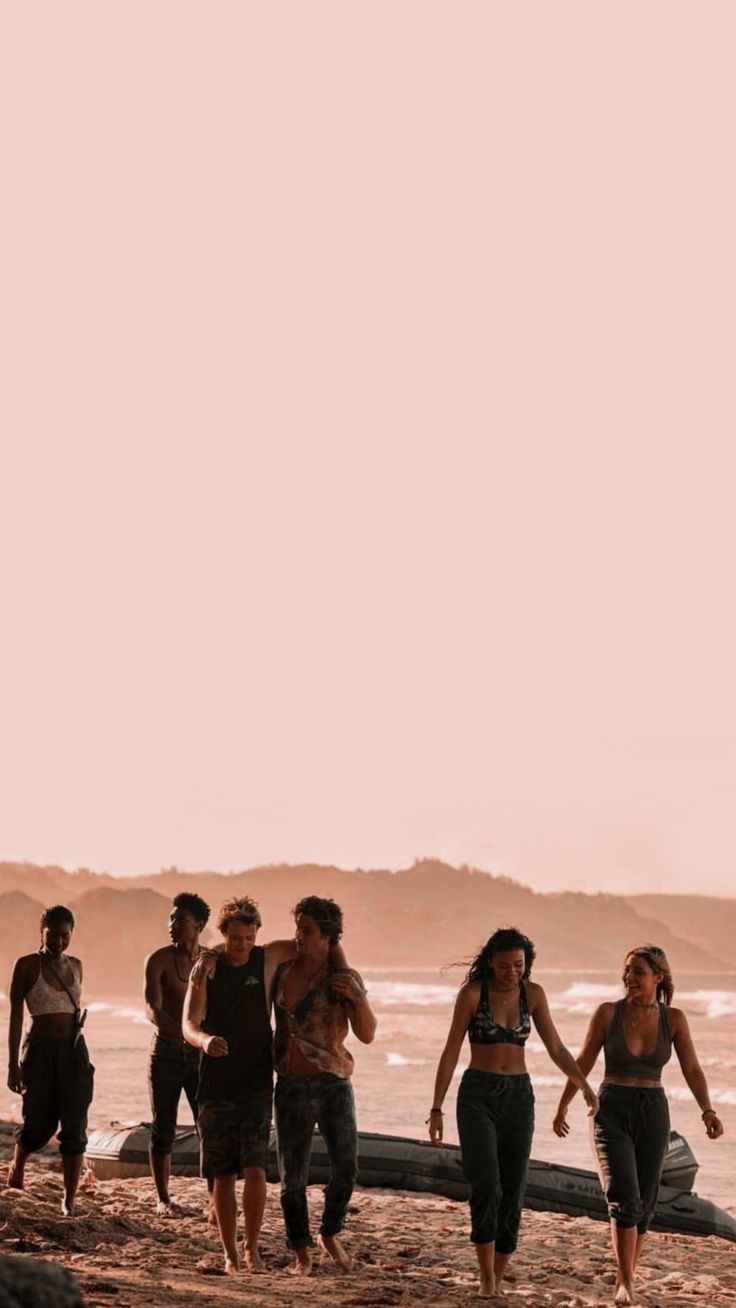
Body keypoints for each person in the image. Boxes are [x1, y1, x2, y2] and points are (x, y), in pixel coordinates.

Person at [182, 895, 349, 1275]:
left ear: (257, 935)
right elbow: (187, 1023)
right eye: (235, 938)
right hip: (215, 1085)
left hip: (257, 1081)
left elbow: (327, 940)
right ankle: (230, 1254)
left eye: (248, 938)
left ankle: (253, 1248)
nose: (242, 945)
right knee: (223, 1174)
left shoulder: (267, 956)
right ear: (223, 935)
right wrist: (205, 1040)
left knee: (255, 1168)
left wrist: (345, 977)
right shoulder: (207, 969)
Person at [429, 926, 598, 1299]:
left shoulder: (533, 994)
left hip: (519, 1097)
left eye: (518, 965)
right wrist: (437, 1107)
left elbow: (555, 1046)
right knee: (486, 1184)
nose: (511, 972)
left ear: (527, 964)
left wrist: (583, 1085)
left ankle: (499, 1275)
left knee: (514, 1187)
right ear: (491, 962)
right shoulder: (473, 994)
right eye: (504, 965)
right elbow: (451, 1050)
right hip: (477, 1095)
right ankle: (485, 1273)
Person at [553, 943, 724, 1307]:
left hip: (653, 1111)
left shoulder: (673, 1019)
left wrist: (707, 1110)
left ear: (658, 977)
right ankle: (626, 1281)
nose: (629, 977)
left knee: (644, 1202)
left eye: (638, 972)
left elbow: (691, 1068)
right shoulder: (606, 1014)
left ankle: (625, 1273)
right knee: (622, 1195)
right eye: (627, 970)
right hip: (610, 1107)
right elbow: (583, 1059)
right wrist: (564, 1104)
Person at [272, 895, 376, 1275]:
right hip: (291, 1084)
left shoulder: (344, 980)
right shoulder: (282, 972)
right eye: (298, 929)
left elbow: (367, 1034)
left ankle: (329, 1233)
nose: (299, 937)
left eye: (308, 931)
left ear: (329, 937)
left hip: (334, 1082)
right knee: (292, 1177)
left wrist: (358, 997)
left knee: (346, 1167)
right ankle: (301, 1251)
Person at [6, 905, 94, 1216]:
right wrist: (12, 1063)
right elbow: (16, 1015)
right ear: (41, 932)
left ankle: (68, 1200)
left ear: (72, 934)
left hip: (74, 1053)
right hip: (40, 1052)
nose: (58, 940)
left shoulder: (77, 965)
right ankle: (19, 1160)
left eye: (65, 935)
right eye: (52, 934)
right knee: (39, 1126)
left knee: (75, 1126)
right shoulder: (27, 965)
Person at [143, 891, 212, 1213]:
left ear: (199, 924)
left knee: (208, 1125)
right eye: (171, 919)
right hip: (166, 1052)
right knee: (163, 1126)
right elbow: (151, 1008)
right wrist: (182, 1031)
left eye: (180, 920)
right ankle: (163, 1198)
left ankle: (215, 1198)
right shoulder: (158, 960)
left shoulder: (211, 961)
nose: (172, 925)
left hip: (201, 1055)